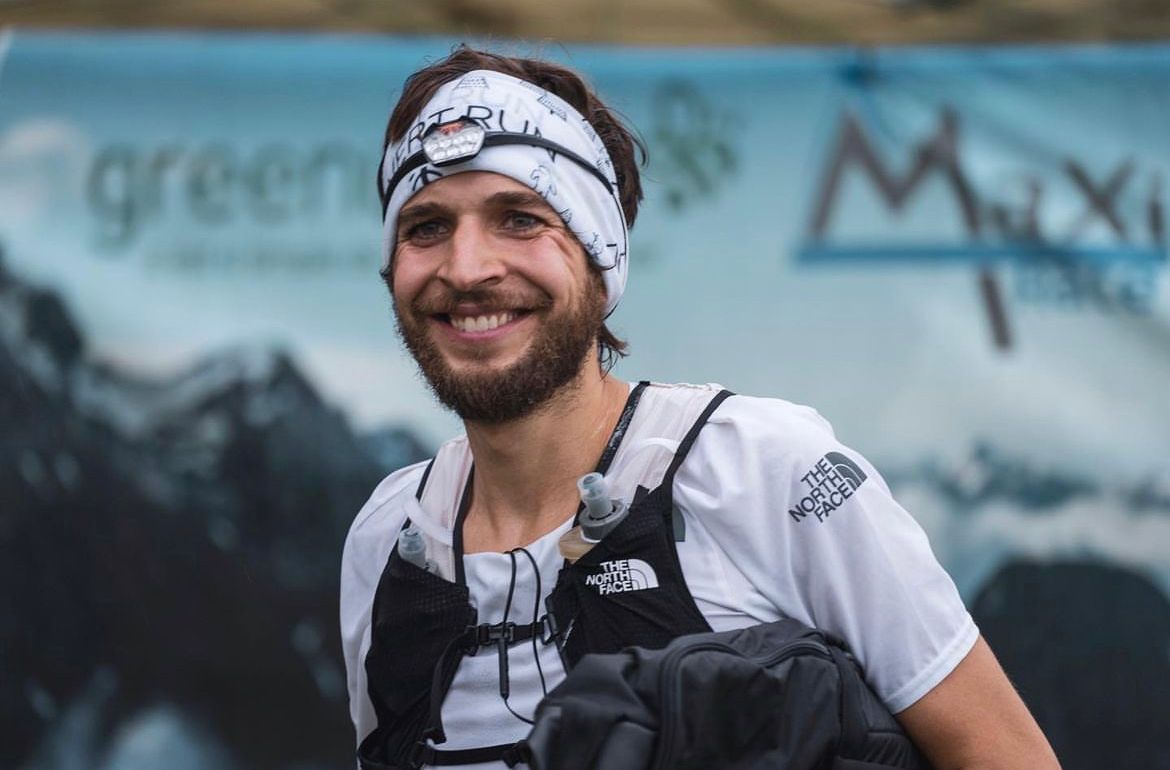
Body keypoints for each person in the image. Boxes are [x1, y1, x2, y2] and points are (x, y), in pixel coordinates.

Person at [341, 45, 1060, 770]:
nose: (467, 269)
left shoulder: (765, 472)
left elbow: (1007, 756)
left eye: (520, 219)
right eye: (425, 227)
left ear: (598, 255)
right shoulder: (389, 538)